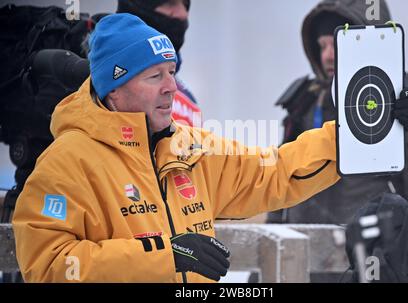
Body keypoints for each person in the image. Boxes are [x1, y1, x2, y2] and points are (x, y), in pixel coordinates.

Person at [12, 13, 341, 283]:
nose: (171, 87)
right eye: (155, 76)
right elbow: (49, 266)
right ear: (114, 89)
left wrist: (355, 134)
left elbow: (277, 171)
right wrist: (167, 256)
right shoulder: (66, 163)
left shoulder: (189, 149)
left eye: (171, 72)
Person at [267, 0, 408, 225]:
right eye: (322, 46)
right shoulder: (304, 104)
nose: (328, 56)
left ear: (370, 42)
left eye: (337, 43)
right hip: (304, 256)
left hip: (378, 258)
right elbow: (277, 193)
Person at [116, 0, 201, 126]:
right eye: (170, 4)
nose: (183, 14)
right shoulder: (98, 80)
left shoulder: (188, 100)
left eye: (186, 5)